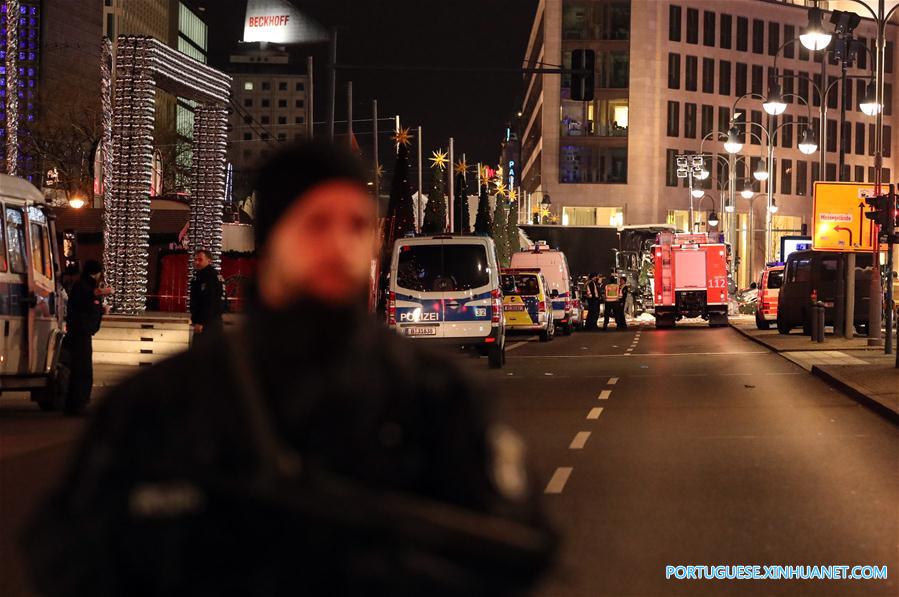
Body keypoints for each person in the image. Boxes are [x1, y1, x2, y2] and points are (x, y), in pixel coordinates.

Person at [23, 141, 554, 596]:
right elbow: (65, 551)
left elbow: (518, 542)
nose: (340, 245)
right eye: (317, 223)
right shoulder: (169, 401)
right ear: (274, 237)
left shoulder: (433, 395)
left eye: (356, 225)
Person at [60, 260, 112, 415]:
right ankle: (78, 404)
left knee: (80, 369)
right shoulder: (85, 286)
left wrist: (100, 310)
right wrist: (102, 296)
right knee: (82, 370)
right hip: (81, 333)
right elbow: (88, 302)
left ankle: (76, 404)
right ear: (95, 273)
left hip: (81, 332)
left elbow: (87, 305)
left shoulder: (83, 286)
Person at [189, 249, 224, 341]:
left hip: (208, 323)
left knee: (203, 353)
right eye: (195, 259)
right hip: (209, 321)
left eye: (200, 260)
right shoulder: (201, 275)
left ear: (209, 261)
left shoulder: (210, 276)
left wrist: (200, 322)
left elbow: (209, 301)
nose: (196, 262)